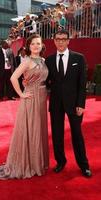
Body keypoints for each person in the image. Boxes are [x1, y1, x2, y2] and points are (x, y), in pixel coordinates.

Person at [0, 34, 49, 179]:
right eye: (33, 44)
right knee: (30, 128)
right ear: (28, 46)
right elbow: (13, 77)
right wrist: (21, 94)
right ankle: (29, 163)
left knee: (38, 129)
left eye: (38, 43)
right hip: (31, 99)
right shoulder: (26, 61)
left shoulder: (43, 60)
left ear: (42, 45)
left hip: (41, 99)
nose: (36, 46)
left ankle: (37, 162)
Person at [45, 29, 92, 178]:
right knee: (57, 135)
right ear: (54, 41)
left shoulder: (79, 58)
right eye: (57, 39)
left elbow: (82, 83)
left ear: (68, 41)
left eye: (63, 39)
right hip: (56, 103)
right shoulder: (49, 60)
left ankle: (84, 165)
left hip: (74, 104)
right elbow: (45, 82)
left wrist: (81, 104)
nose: (60, 41)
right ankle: (60, 162)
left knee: (77, 134)